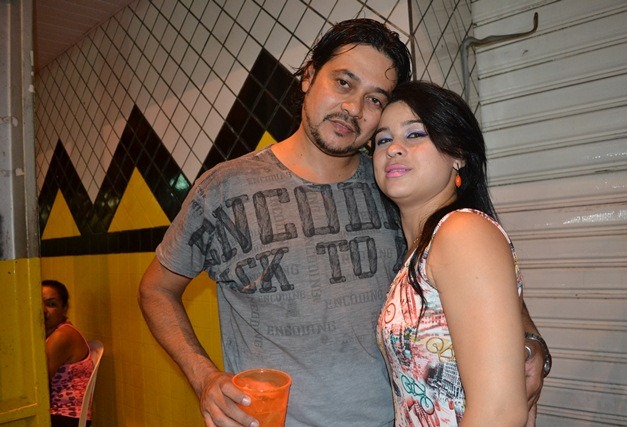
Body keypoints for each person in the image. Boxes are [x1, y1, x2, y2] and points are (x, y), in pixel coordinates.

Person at [138, 18, 548, 427]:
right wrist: (203, 376)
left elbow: (483, 285)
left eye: (375, 99)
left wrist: (529, 342)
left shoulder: (396, 186)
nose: (353, 108)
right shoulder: (224, 190)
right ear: (309, 77)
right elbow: (156, 289)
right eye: (343, 83)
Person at [373, 80, 532, 426]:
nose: (393, 148)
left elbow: (500, 413)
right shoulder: (424, 249)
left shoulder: (462, 233)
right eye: (382, 139)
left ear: (458, 155)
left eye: (415, 134)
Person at [42, 280, 94, 427]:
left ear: (64, 309)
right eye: (38, 303)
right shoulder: (47, 333)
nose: (43, 310)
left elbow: (38, 382)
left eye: (51, 304)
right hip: (54, 414)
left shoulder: (62, 336)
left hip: (65, 416)